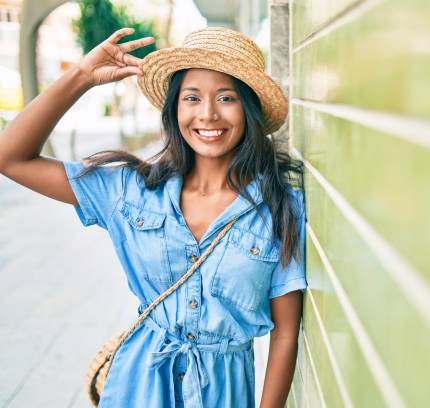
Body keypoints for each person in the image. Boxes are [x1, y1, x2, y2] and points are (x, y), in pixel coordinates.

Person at [0, 26, 306, 408]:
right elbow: (10, 158)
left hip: (223, 394)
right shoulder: (130, 189)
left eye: (226, 98)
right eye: (192, 97)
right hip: (137, 388)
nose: (208, 114)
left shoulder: (279, 205)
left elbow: (286, 333)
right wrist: (81, 76)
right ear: (175, 108)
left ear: (249, 109)